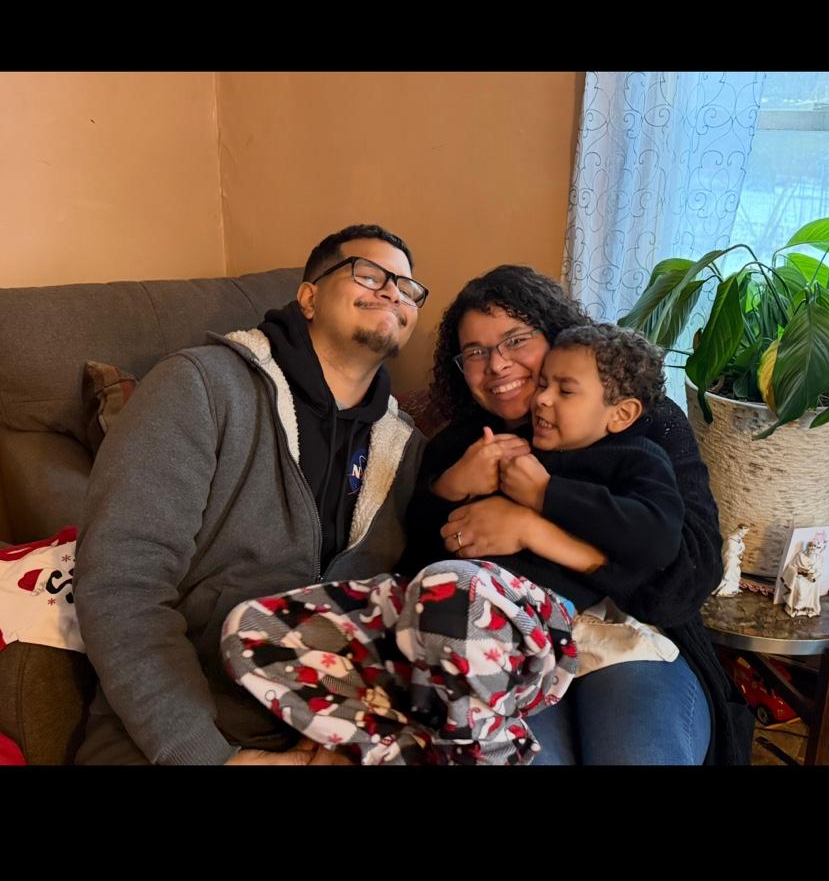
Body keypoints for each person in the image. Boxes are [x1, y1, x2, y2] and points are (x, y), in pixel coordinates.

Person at [221, 323, 683, 764]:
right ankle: (405, 742)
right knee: (250, 629)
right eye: (543, 383)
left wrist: (545, 495)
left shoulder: (636, 460)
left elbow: (658, 540)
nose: (541, 398)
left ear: (621, 414)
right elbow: (422, 535)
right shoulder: (501, 442)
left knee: (455, 586)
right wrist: (453, 485)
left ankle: (492, 750)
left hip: (528, 628)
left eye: (565, 391)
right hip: (427, 614)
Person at [72, 223, 428, 765]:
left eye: (407, 288)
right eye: (370, 274)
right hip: (179, 729)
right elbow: (122, 583)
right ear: (308, 297)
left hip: (337, 731)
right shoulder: (199, 386)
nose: (392, 293)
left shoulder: (407, 451)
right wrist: (208, 754)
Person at [401, 265, 752, 765]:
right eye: (475, 352)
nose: (496, 364)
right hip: (512, 650)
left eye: (516, 340)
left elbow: (687, 580)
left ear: (556, 337)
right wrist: (448, 489)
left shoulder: (641, 424)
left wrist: (534, 530)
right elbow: (421, 571)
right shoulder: (462, 447)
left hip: (632, 637)